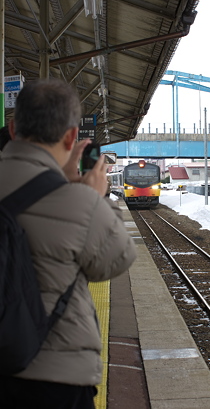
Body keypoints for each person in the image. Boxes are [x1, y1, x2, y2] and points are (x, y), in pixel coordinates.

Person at [0, 78, 137, 409]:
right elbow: (116, 260)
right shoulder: (79, 200)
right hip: (54, 375)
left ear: (13, 128)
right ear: (72, 136)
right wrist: (96, 197)